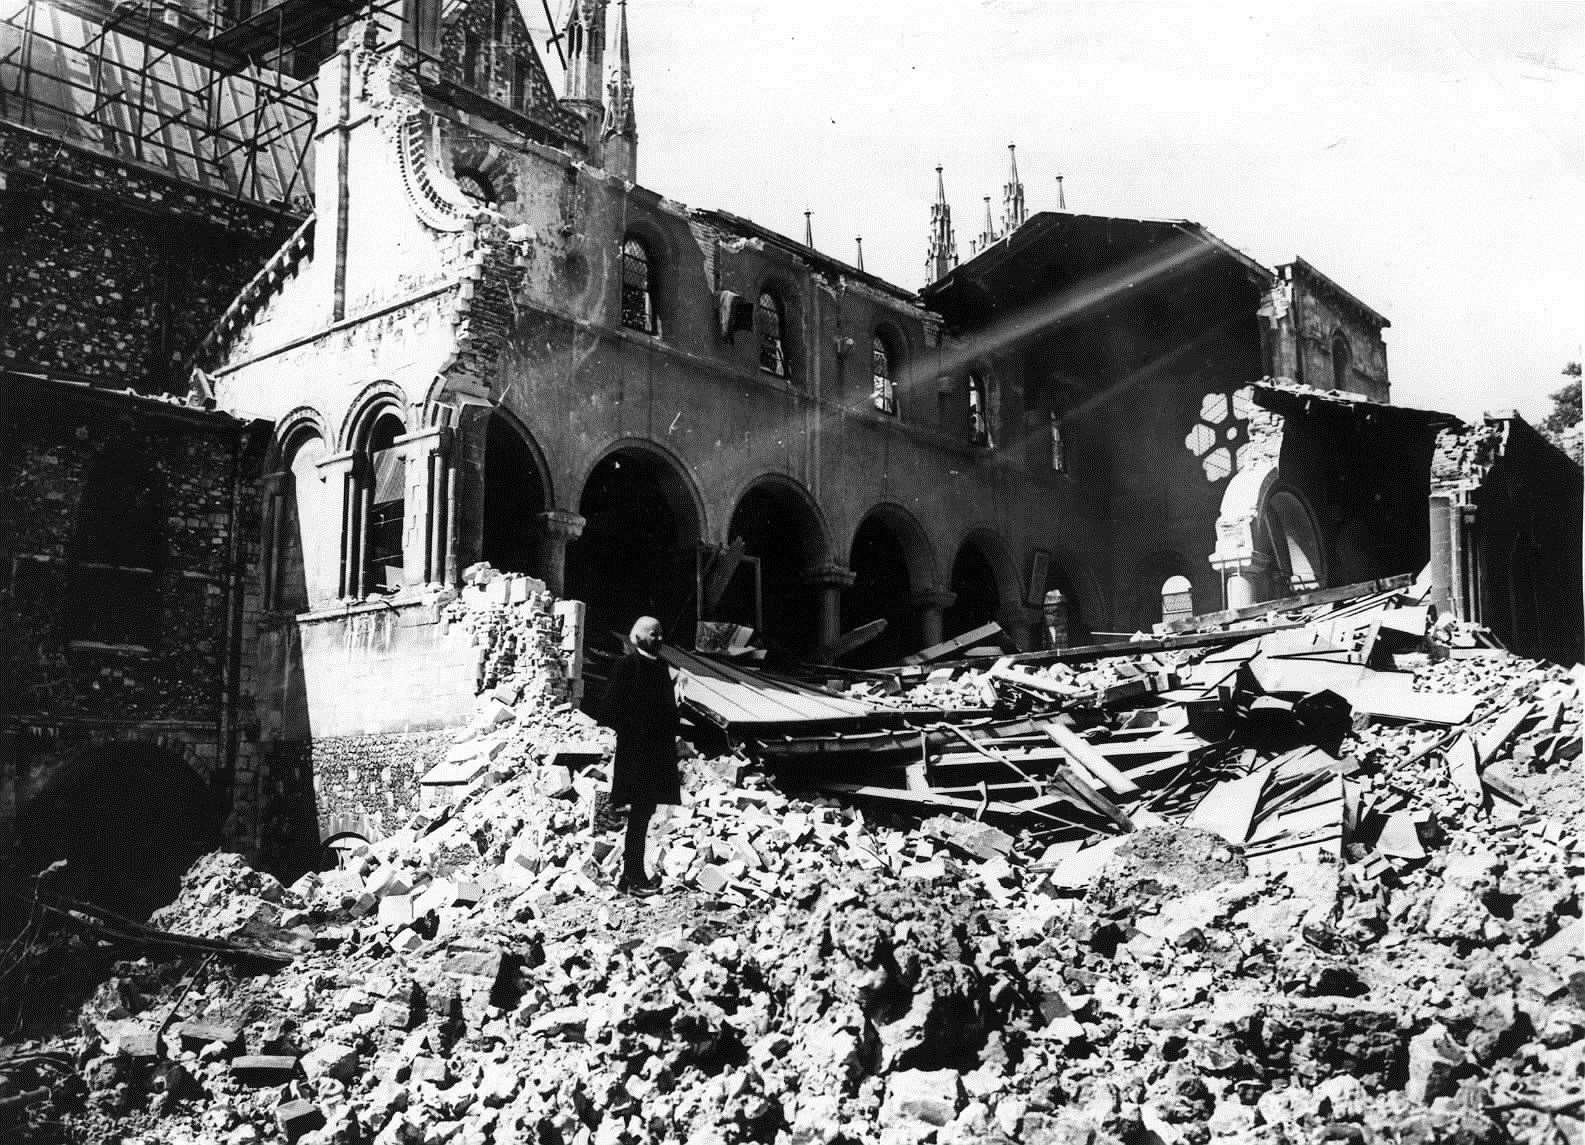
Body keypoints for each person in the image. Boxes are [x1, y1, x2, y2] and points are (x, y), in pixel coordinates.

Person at [601, 615, 682, 896]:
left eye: (661, 634)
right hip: (636, 754)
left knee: (645, 814)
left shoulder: (662, 668)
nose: (658, 639)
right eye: (653, 634)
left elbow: (668, 710)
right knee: (637, 816)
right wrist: (635, 730)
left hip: (656, 755)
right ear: (638, 636)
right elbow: (610, 709)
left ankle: (634, 876)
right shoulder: (627, 666)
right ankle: (632, 877)